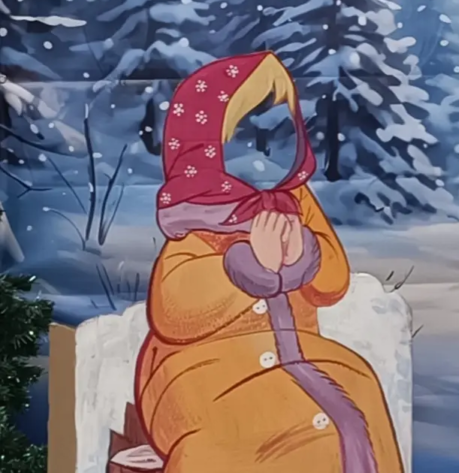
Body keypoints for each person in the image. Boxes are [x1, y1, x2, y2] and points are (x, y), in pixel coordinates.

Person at [135, 51, 404, 473]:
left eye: (282, 130)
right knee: (233, 436)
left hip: (299, 353)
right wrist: (248, 268)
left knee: (358, 389)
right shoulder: (192, 212)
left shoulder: (294, 200)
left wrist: (305, 255)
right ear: (206, 149)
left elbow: (333, 282)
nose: (270, 148)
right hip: (201, 371)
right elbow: (174, 309)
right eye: (248, 134)